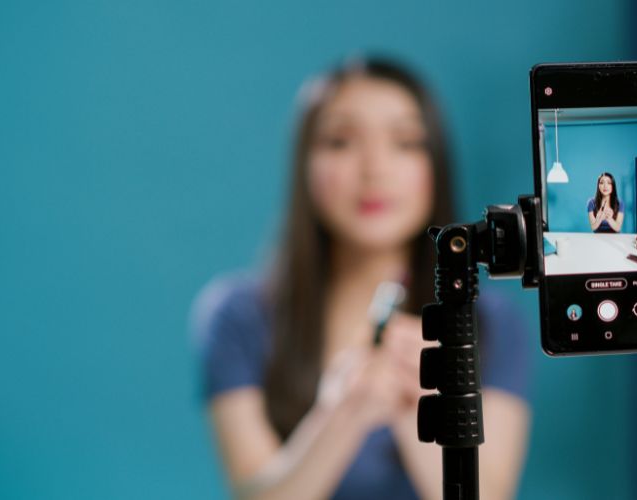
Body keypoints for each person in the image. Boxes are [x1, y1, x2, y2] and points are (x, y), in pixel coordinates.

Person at [191, 57, 531, 500]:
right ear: (305, 165)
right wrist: (344, 411)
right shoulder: (237, 315)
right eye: (340, 141)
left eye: (406, 142)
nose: (374, 169)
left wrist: (420, 400)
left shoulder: (492, 325)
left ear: (437, 166)